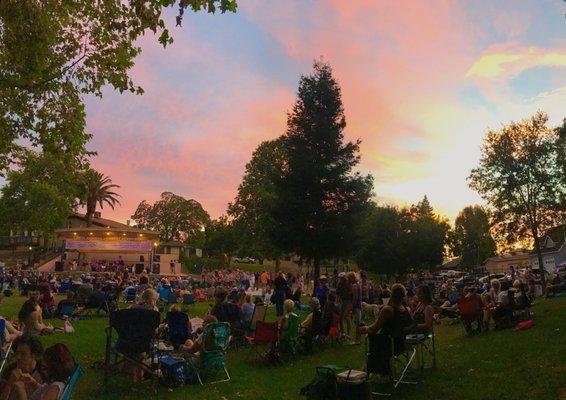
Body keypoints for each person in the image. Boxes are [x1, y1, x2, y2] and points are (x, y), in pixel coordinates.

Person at [359, 284, 413, 354]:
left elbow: (374, 329)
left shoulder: (388, 310)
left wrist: (365, 329)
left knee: (372, 336)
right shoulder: (408, 310)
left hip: (388, 345)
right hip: (403, 343)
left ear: (392, 295)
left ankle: (371, 363)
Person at [10, 343, 75, 400]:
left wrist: (22, 390)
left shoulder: (55, 389)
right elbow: (44, 394)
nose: (44, 366)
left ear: (53, 367)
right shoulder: (56, 383)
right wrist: (34, 383)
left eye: (46, 363)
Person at [0, 336, 44, 400]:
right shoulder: (10, 370)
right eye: (17, 353)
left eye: (23, 354)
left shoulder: (43, 372)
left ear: (34, 355)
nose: (18, 357)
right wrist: (9, 384)